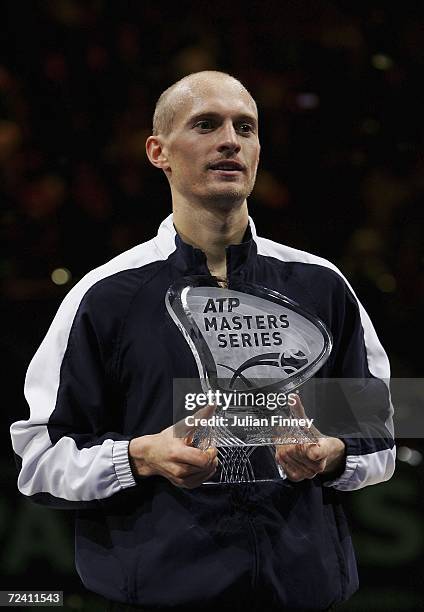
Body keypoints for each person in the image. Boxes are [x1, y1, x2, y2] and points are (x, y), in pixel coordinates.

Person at [10, 71, 395, 612]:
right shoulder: (104, 295)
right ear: (158, 152)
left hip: (306, 593)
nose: (230, 141)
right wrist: (139, 456)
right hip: (159, 594)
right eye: (206, 124)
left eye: (246, 127)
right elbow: (38, 460)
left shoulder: (321, 283)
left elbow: (379, 435)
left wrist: (332, 454)